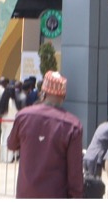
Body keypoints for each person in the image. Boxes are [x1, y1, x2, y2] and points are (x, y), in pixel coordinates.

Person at [7, 71, 84, 199]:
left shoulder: (23, 116)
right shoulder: (73, 125)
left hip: (25, 194)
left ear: (43, 93)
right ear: (63, 96)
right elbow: (75, 172)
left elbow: (11, 144)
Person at [83, 110, 108, 191]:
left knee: (87, 183)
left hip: (87, 156)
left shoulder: (102, 125)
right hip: (95, 159)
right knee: (94, 186)